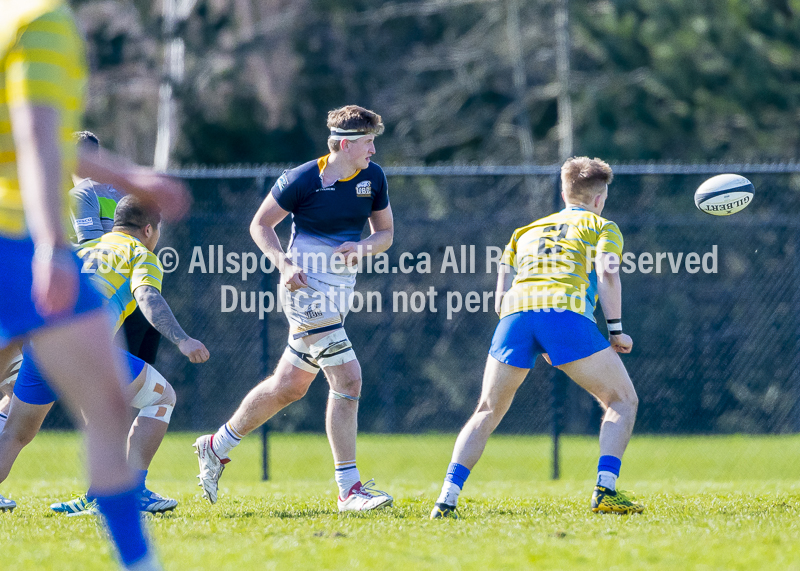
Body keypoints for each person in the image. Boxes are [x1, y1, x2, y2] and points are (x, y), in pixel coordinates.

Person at [0, 1, 188, 568]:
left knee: (55, 417)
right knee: (108, 411)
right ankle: (138, 561)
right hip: (17, 242)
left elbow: (41, 144)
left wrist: (128, 177)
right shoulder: (41, 21)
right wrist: (54, 250)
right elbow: (37, 142)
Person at [194, 105, 394, 511]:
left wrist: (363, 247)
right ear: (344, 145)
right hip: (303, 292)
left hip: (340, 294)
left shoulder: (373, 177)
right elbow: (260, 224)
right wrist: (283, 263)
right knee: (348, 379)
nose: (374, 149)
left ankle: (216, 446)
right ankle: (349, 490)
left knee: (289, 386)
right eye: (368, 142)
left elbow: (386, 233)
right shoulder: (303, 178)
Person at [430, 157, 643, 518]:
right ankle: (605, 490)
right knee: (622, 400)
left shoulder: (525, 231)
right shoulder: (602, 226)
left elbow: (502, 288)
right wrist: (616, 330)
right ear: (598, 198)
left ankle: (446, 498)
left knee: (487, 410)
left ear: (563, 192)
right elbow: (608, 273)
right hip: (564, 314)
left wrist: (529, 330)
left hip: (515, 316)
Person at [0, 196, 209, 515]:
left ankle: (99, 495)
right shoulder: (140, 253)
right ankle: (132, 493)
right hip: (82, 349)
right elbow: (148, 296)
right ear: (149, 229)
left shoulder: (82, 249)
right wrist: (182, 339)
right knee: (161, 398)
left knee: (16, 433)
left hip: (41, 345)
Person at [70, 131, 163, 366]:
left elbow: (94, 250)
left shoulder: (80, 194)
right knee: (139, 385)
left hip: (109, 301)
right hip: (140, 294)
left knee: (101, 385)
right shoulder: (122, 192)